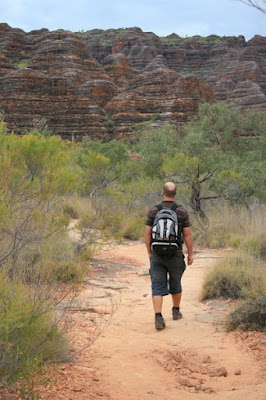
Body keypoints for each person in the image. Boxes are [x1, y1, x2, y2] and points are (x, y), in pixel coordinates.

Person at [145, 182, 194, 330]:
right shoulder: (182, 211)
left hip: (157, 255)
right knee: (175, 282)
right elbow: (187, 235)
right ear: (176, 194)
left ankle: (158, 317)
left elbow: (147, 234)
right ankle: (176, 311)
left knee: (157, 286)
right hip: (176, 254)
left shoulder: (153, 211)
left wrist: (149, 252)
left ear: (163, 192)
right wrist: (190, 254)